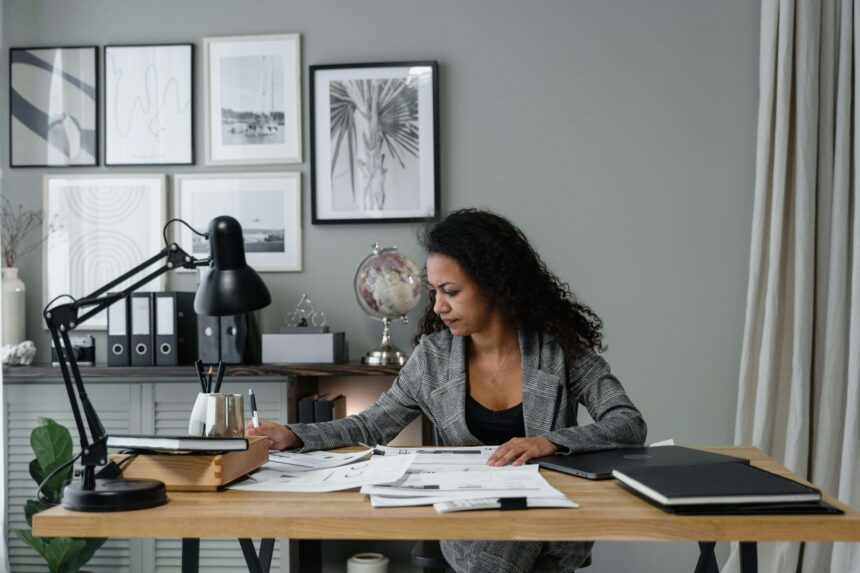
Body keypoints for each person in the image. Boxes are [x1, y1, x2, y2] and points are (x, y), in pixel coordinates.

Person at [248, 208, 647, 572]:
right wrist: (295, 434)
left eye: (451, 292)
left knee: (513, 545)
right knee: (503, 552)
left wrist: (550, 442)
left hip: (547, 518)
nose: (438, 306)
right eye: (434, 290)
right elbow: (372, 426)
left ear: (494, 286)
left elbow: (627, 422)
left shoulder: (558, 350)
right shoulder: (433, 358)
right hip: (469, 523)